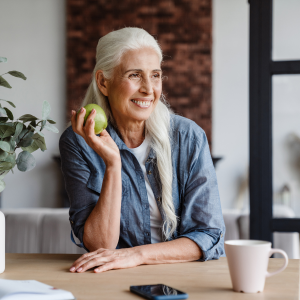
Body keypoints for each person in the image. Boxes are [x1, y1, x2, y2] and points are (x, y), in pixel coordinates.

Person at [59, 27, 225, 274]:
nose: (149, 89)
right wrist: (113, 164)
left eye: (155, 75)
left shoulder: (188, 137)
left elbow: (209, 236)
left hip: (182, 274)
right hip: (113, 279)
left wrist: (136, 255)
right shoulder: (79, 141)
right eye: (135, 75)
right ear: (104, 82)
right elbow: (99, 245)